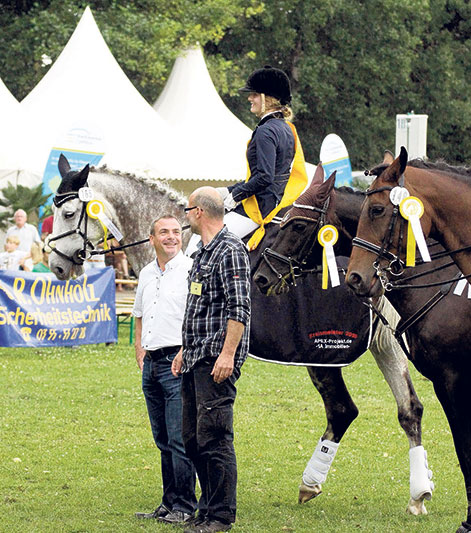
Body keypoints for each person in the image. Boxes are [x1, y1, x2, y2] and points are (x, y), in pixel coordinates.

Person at [172, 187, 251, 533]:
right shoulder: (203, 252)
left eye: (187, 210)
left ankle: (220, 516)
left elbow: (240, 308)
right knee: (192, 437)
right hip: (195, 355)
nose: (185, 216)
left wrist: (228, 354)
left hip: (216, 359)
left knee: (215, 436)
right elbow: (198, 307)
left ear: (200, 212)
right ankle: (205, 509)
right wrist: (182, 350)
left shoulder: (230, 250)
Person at [186, 66, 307, 256]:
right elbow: (266, 175)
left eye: (255, 95)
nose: (250, 98)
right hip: (275, 202)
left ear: (269, 98)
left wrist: (235, 197)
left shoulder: (266, 131)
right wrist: (228, 190)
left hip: (258, 208)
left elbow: (265, 177)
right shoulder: (286, 128)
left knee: (196, 243)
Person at [132, 215, 197, 524]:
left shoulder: (190, 270)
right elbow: (140, 314)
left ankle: (185, 505)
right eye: (164, 232)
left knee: (178, 437)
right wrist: (139, 350)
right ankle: (168, 502)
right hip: (151, 363)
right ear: (151, 239)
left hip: (176, 362)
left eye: (175, 232)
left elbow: (196, 318)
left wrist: (186, 350)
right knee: (161, 438)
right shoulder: (145, 273)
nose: (171, 237)